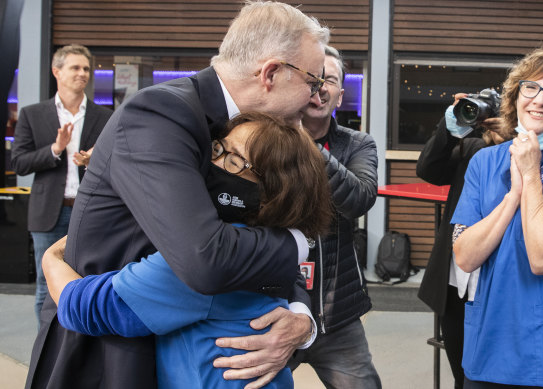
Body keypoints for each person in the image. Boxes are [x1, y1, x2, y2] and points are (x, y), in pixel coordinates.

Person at [25, 2, 330, 389]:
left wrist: (301, 316)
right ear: (270, 73)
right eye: (313, 82)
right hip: (113, 353)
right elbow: (206, 257)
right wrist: (298, 242)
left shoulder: (248, 136)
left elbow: (250, 231)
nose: (317, 99)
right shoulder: (161, 113)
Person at [42, 111, 332, 389]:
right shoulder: (266, 245)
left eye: (232, 160)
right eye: (217, 148)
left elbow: (89, 308)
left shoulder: (214, 257)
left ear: (273, 193)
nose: (212, 162)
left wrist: (51, 259)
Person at [452, 48, 543, 388]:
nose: (539, 100)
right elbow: (465, 257)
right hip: (490, 346)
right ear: (516, 95)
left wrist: (531, 174)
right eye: (531, 87)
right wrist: (512, 196)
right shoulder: (484, 162)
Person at [286, 45, 381, 388]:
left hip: (337, 315)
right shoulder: (265, 141)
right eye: (312, 77)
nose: (320, 86)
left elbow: (359, 199)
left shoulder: (358, 144)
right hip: (276, 310)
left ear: (340, 95)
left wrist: (302, 143)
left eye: (329, 80)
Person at [11, 44, 112, 325]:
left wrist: (93, 160)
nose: (83, 74)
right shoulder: (32, 114)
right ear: (57, 71)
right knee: (46, 285)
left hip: (90, 212)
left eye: (86, 69)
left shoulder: (104, 117)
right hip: (48, 213)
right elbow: (19, 163)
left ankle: (77, 347)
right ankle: (47, 349)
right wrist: (55, 149)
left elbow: (116, 164)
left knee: (89, 279)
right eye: (75, 68)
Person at [416, 94, 505, 389]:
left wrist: (516, 136)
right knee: (463, 378)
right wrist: (452, 125)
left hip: (503, 287)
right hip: (458, 285)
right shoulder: (473, 149)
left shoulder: (538, 152)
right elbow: (429, 169)